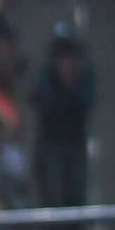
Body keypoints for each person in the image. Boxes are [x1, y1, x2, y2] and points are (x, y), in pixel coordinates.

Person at [32, 24, 96, 208]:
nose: (64, 57)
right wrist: (62, 83)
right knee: (54, 192)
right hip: (51, 140)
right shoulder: (45, 74)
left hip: (76, 139)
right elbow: (44, 104)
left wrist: (71, 84)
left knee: (77, 191)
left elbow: (87, 102)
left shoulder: (85, 74)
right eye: (60, 52)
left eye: (67, 51)